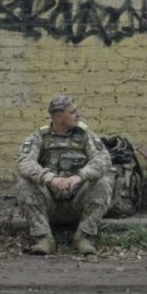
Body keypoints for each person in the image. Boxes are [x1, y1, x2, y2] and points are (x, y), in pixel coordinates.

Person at [16, 95, 113, 255]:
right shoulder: (39, 136)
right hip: (49, 205)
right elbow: (24, 162)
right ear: (59, 117)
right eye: (73, 112)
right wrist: (50, 179)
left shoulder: (85, 134)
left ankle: (83, 238)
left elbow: (104, 159)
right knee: (24, 184)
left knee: (102, 182)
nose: (78, 115)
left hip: (78, 203)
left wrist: (80, 176)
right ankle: (44, 239)